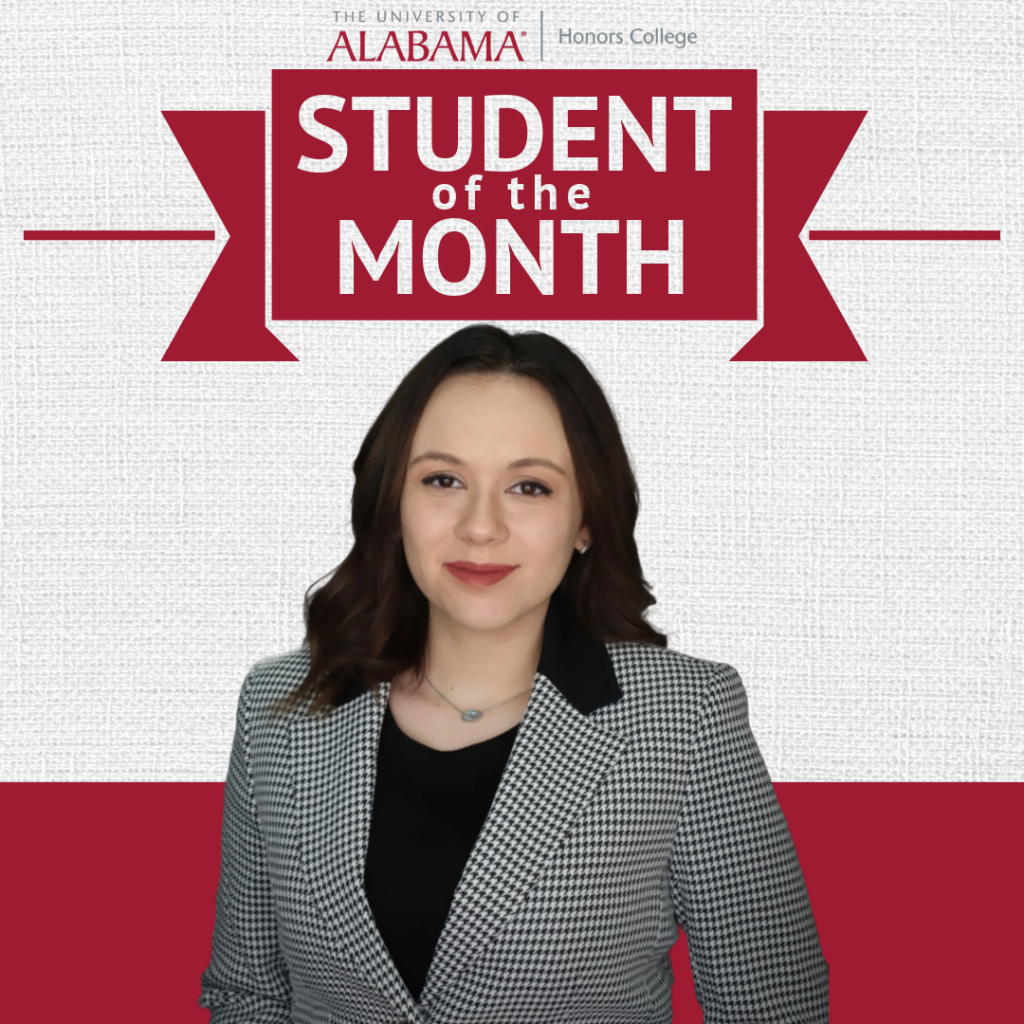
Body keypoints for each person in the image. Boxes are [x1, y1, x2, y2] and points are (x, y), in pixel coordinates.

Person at [198, 324, 829, 1024]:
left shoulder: (685, 720)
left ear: (586, 519)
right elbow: (246, 994)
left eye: (530, 487)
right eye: (443, 480)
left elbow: (774, 1006)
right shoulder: (280, 711)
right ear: (393, 507)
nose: (480, 526)